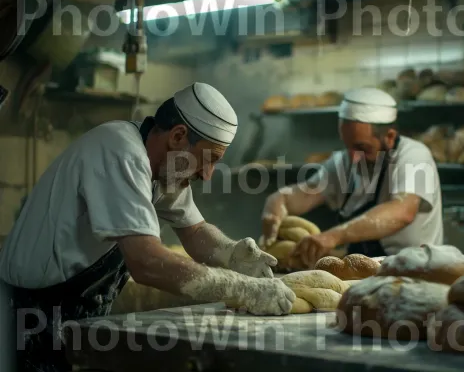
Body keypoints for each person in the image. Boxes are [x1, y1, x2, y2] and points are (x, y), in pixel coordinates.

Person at [0, 82, 295, 371]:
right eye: (209, 159)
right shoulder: (121, 152)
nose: (207, 175)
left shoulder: (165, 167)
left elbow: (194, 231)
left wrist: (232, 253)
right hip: (30, 316)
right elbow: (145, 261)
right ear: (179, 136)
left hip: (74, 313)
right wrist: (241, 289)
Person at [261, 87, 443, 267]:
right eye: (347, 146)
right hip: (361, 274)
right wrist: (278, 200)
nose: (353, 157)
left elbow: (403, 211)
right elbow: (305, 194)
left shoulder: (415, 156)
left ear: (389, 136)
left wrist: (334, 236)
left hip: (415, 273)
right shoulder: (344, 161)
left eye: (362, 147)